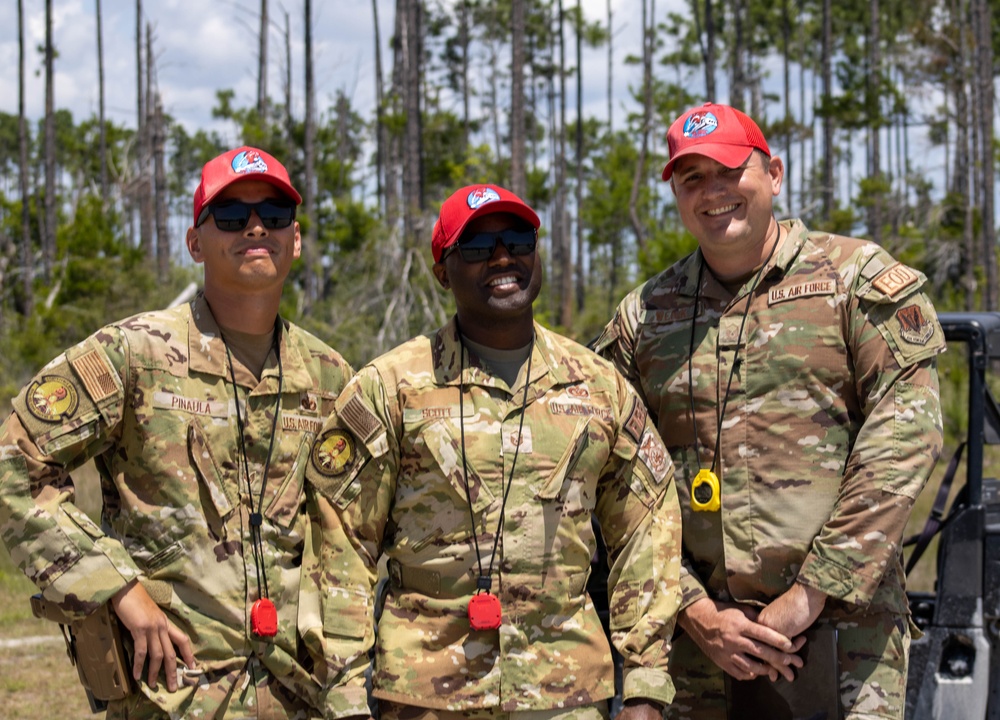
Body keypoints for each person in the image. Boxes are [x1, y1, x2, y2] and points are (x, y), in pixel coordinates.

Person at [595, 101, 945, 720]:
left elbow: (905, 440)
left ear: (774, 175)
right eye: (692, 179)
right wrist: (694, 610)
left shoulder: (853, 282)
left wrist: (810, 594)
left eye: (729, 170)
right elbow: (611, 477)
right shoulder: (645, 318)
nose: (713, 193)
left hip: (846, 640)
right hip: (698, 653)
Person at [0, 146, 354, 719]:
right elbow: (14, 460)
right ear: (195, 243)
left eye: (275, 215)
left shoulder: (330, 378)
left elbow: (352, 540)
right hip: (173, 697)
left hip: (298, 699)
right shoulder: (135, 354)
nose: (257, 227)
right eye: (232, 217)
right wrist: (114, 585)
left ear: (295, 240)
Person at [306, 184, 683, 720]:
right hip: (427, 695)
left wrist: (645, 684)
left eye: (517, 239)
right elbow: (340, 542)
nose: (503, 257)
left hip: (566, 694)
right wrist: (344, 695)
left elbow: (649, 524)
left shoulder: (599, 388)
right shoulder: (391, 387)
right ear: (443, 270)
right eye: (478, 248)